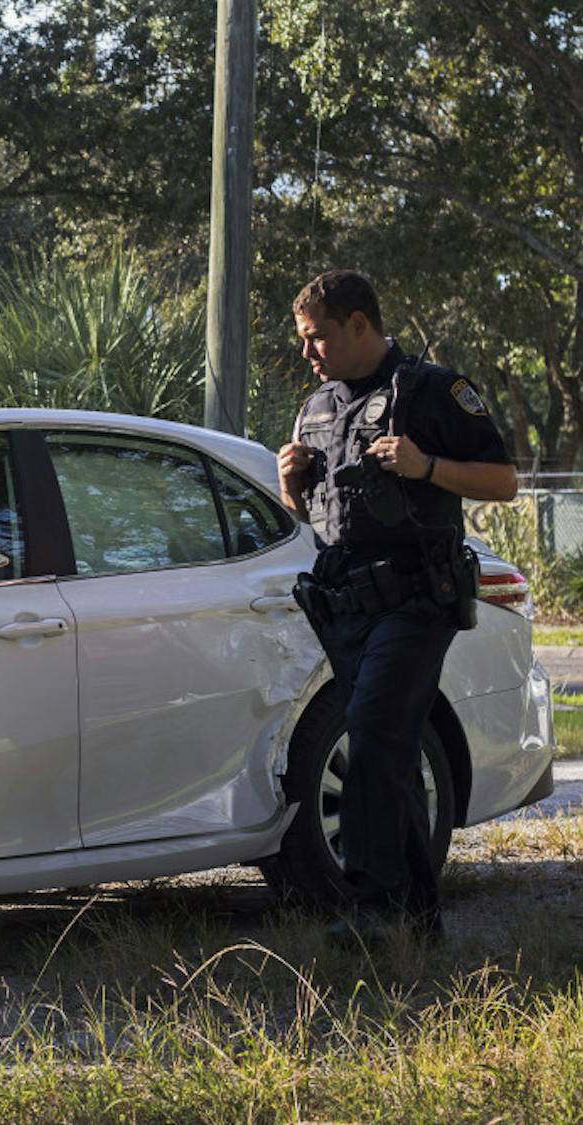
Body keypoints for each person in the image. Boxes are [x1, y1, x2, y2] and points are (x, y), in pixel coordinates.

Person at [276, 270, 517, 942]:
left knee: (374, 730)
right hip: (345, 606)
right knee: (391, 748)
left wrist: (427, 466)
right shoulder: (317, 408)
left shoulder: (434, 389)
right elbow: (317, 519)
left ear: (359, 325)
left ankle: (373, 905)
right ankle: (421, 920)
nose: (307, 352)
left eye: (315, 337)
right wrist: (288, 487)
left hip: (417, 599)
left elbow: (504, 481)